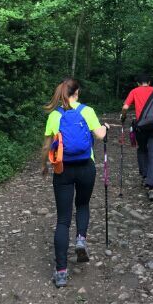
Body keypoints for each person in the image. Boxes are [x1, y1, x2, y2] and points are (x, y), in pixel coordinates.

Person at [41, 78, 109, 288]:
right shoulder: (87, 111)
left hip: (62, 170)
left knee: (62, 220)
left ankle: (61, 272)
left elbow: (47, 145)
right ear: (76, 92)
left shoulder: (54, 115)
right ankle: (81, 239)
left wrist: (44, 166)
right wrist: (105, 127)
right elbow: (99, 135)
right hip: (86, 167)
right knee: (82, 205)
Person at [121, 73, 153, 201]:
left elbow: (125, 107)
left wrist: (123, 116)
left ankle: (144, 175)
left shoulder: (134, 91)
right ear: (149, 82)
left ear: (138, 83)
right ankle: (151, 188)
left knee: (142, 150)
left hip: (141, 128)